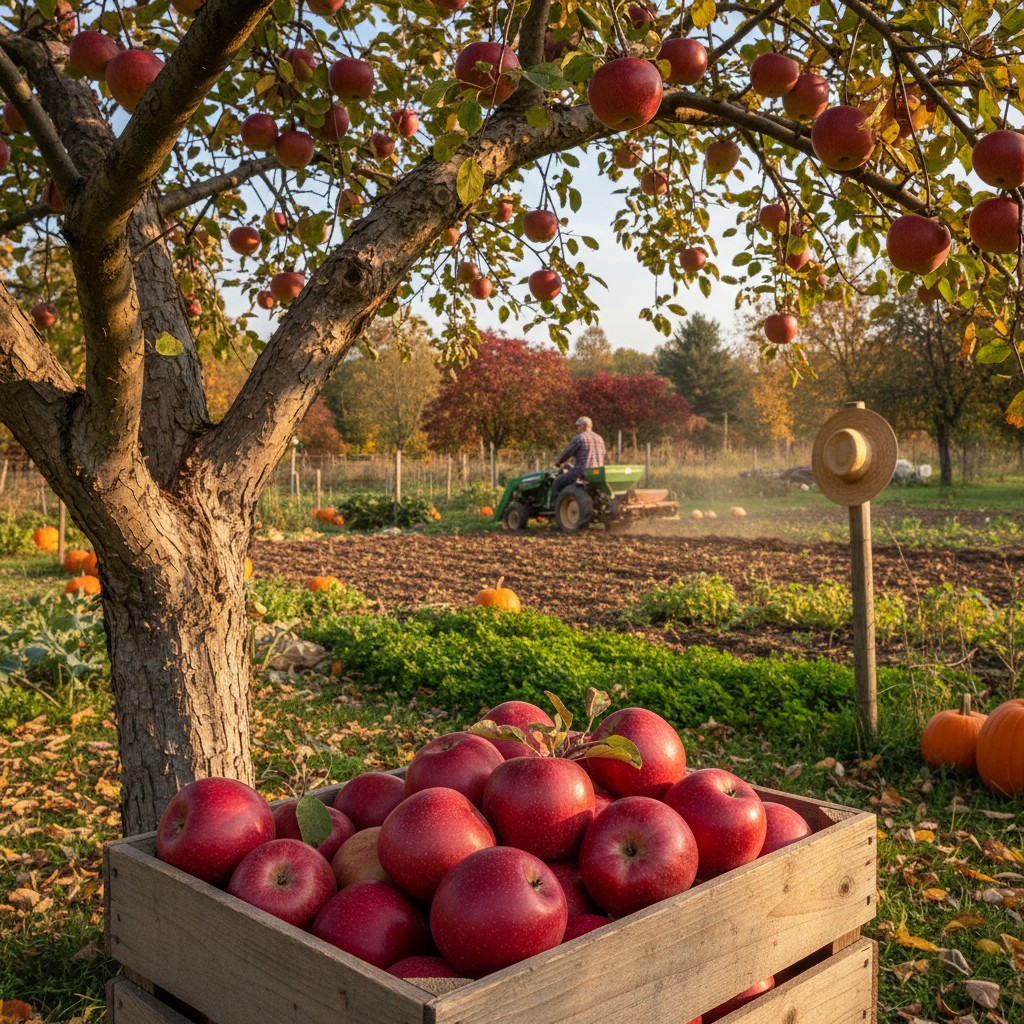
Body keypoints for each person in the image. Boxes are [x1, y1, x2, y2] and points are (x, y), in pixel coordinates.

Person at [550, 416, 606, 509]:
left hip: (581, 472)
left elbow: (567, 453)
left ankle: (555, 508)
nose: (577, 429)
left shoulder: (579, 438)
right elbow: (603, 453)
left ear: (584, 426)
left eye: (578, 426)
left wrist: (558, 463)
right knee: (569, 468)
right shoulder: (599, 438)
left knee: (558, 481)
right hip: (597, 473)